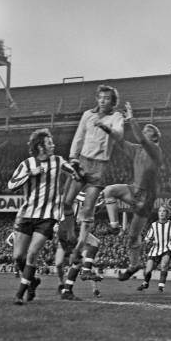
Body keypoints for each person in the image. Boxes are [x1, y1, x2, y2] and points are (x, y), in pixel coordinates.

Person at [7, 128, 81, 305]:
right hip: (26, 215)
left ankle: (20, 294)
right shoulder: (26, 164)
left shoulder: (58, 160)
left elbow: (72, 172)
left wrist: (77, 170)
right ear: (40, 147)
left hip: (48, 217)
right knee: (18, 257)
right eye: (49, 143)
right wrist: (29, 174)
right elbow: (11, 185)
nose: (53, 145)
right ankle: (33, 282)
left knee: (32, 253)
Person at [103, 101, 163, 283]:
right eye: (143, 131)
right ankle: (114, 226)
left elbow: (141, 139)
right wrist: (107, 128)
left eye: (147, 132)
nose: (143, 134)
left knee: (133, 236)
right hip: (133, 190)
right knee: (109, 190)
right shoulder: (137, 150)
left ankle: (134, 265)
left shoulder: (155, 151)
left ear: (154, 138)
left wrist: (131, 118)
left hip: (146, 197)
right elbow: (120, 140)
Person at [60, 84, 124, 255]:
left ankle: (79, 245)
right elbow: (79, 136)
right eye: (101, 97)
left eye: (107, 98)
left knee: (87, 210)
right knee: (66, 202)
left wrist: (105, 127)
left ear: (113, 101)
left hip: (100, 166)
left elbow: (119, 135)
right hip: (82, 163)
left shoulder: (116, 116)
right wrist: (73, 157)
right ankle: (71, 234)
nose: (103, 101)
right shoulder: (88, 115)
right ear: (97, 98)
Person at [59, 190, 103, 300]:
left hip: (63, 229)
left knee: (77, 263)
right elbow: (90, 203)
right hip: (72, 228)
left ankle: (67, 291)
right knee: (95, 242)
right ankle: (86, 271)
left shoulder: (75, 194)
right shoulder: (85, 196)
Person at [136, 205, 171, 293]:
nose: (161, 213)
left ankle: (161, 286)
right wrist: (148, 241)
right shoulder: (154, 225)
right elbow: (148, 238)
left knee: (164, 265)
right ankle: (145, 283)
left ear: (167, 214)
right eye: (160, 211)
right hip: (155, 250)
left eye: (164, 211)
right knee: (148, 270)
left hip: (167, 249)